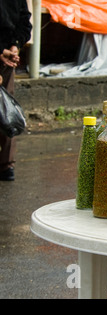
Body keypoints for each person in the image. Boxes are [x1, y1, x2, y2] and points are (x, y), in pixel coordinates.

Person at [0, 0, 32, 181]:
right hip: (7, 57)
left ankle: (6, 165)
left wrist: (13, 47)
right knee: (6, 110)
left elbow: (24, 21)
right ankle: (6, 165)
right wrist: (12, 47)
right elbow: (25, 22)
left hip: (7, 58)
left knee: (6, 110)